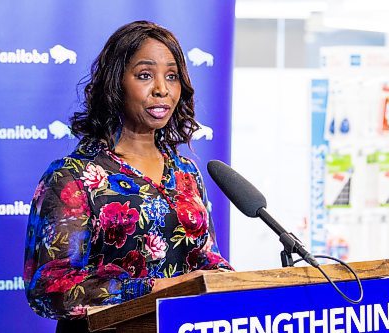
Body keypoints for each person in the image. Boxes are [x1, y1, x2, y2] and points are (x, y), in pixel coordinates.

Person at [23, 20, 233, 332]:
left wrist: (234, 282)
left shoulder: (186, 173)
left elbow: (205, 258)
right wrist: (158, 288)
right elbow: (50, 289)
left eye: (172, 76)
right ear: (115, 83)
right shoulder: (74, 176)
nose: (162, 89)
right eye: (145, 75)